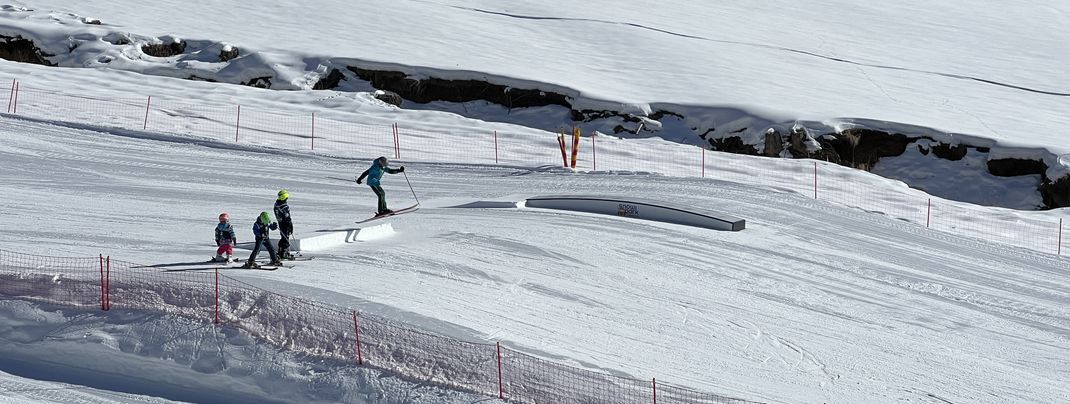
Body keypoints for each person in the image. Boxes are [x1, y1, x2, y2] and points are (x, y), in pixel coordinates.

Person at [274, 189, 295, 260]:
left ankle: (280, 252)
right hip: (285, 223)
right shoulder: (284, 206)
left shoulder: (276, 204)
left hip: (280, 222)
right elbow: (287, 217)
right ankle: (284, 253)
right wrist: (290, 225)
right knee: (286, 238)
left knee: (283, 237)